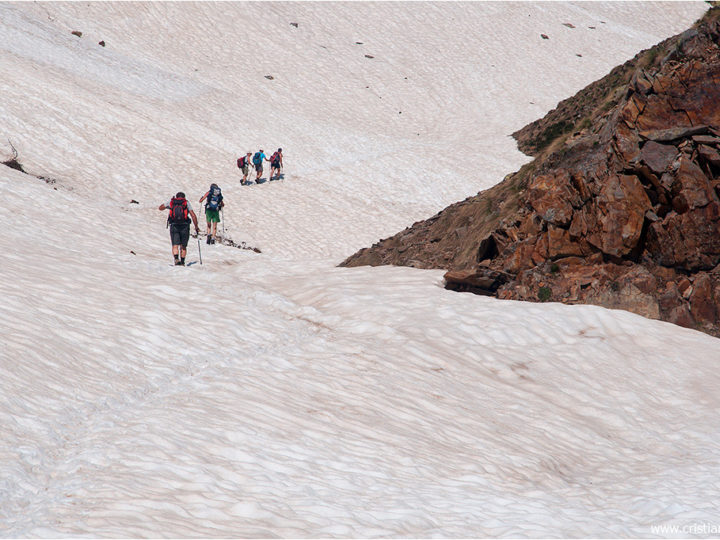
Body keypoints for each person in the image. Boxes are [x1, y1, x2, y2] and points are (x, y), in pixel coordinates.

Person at [158, 192, 199, 266]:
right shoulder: (186, 203)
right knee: (183, 245)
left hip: (174, 225)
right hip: (185, 226)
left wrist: (170, 206)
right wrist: (196, 227)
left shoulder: (172, 202)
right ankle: (182, 262)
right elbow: (193, 215)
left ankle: (176, 259)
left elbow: (160, 208)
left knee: (175, 245)